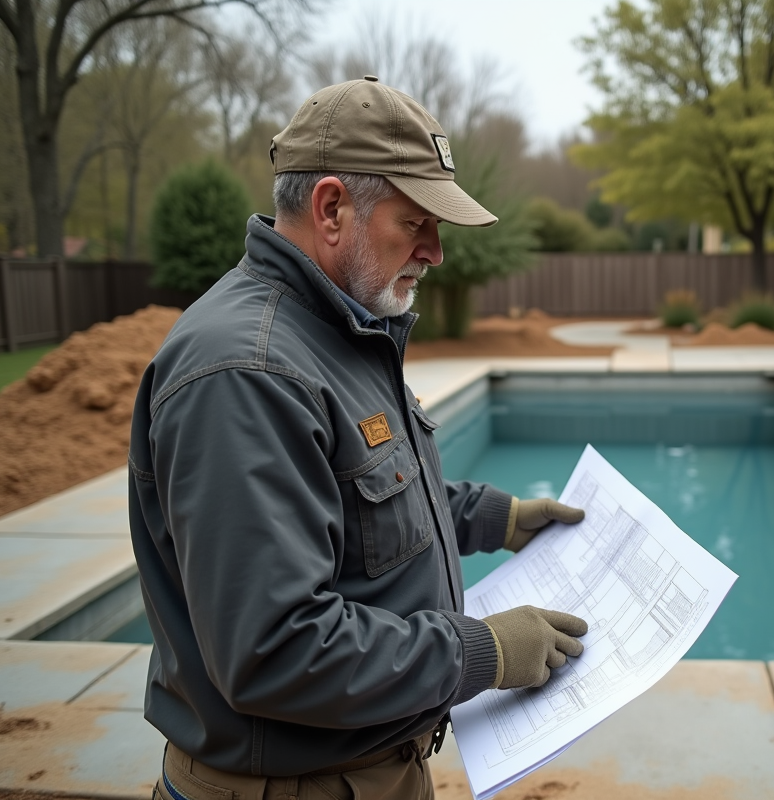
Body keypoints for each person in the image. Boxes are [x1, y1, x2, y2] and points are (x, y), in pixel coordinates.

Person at [128, 77, 589, 800]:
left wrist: (495, 517)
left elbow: (363, 498)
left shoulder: (339, 329)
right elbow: (274, 649)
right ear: (333, 207)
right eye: (416, 223)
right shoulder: (248, 373)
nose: (436, 251)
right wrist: (484, 652)